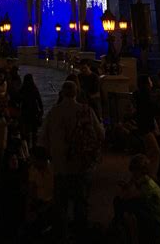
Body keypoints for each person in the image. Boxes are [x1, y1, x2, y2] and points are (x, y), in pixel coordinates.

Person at [40, 80, 104, 238]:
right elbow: (100, 133)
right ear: (76, 93)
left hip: (60, 165)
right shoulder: (85, 110)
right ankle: (80, 231)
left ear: (62, 92)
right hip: (81, 163)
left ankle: (61, 233)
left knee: (60, 202)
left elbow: (43, 138)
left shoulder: (54, 112)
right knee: (80, 201)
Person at [112, 153, 160, 244]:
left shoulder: (148, 186)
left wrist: (124, 191)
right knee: (125, 205)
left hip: (156, 223)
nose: (133, 175)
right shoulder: (144, 180)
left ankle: (119, 227)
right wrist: (127, 185)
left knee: (123, 204)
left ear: (140, 171)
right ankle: (120, 226)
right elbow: (131, 188)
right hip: (150, 214)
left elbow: (128, 197)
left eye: (134, 172)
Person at [132, 75, 160, 179]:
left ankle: (145, 174)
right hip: (145, 127)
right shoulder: (146, 96)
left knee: (150, 150)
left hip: (143, 126)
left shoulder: (139, 95)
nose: (151, 82)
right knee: (155, 151)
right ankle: (148, 175)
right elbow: (154, 109)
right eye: (150, 80)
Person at [19, 73, 44, 148]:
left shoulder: (23, 89)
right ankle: (34, 145)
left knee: (27, 130)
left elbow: (19, 99)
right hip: (34, 111)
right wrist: (41, 109)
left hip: (25, 111)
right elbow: (39, 100)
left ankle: (27, 146)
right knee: (34, 130)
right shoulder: (34, 88)